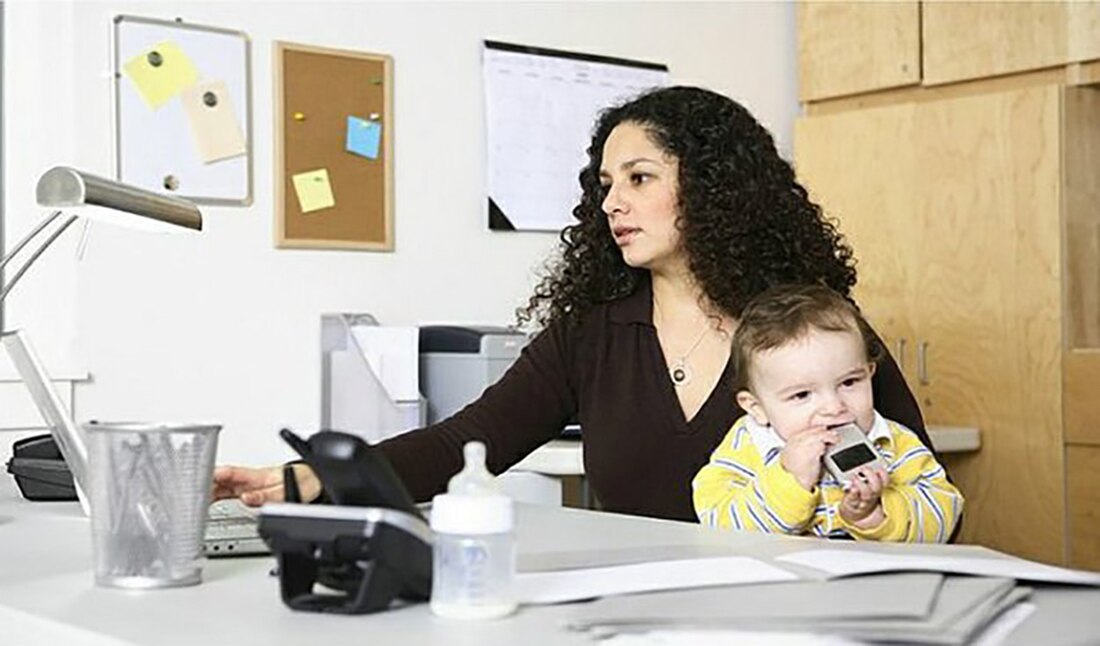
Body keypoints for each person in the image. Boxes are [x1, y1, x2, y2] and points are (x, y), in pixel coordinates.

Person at [214, 86, 932, 522]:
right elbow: (462, 445)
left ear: (716, 189)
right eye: (605, 184)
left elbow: (926, 489)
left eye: (640, 177)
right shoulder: (591, 334)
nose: (613, 202)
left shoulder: (813, 328)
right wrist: (313, 478)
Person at [693, 284, 963, 542]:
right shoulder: (747, 446)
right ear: (757, 408)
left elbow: (944, 511)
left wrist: (874, 514)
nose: (834, 408)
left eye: (849, 383)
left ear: (869, 373)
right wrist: (790, 480)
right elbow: (720, 524)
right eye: (801, 395)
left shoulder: (894, 442)